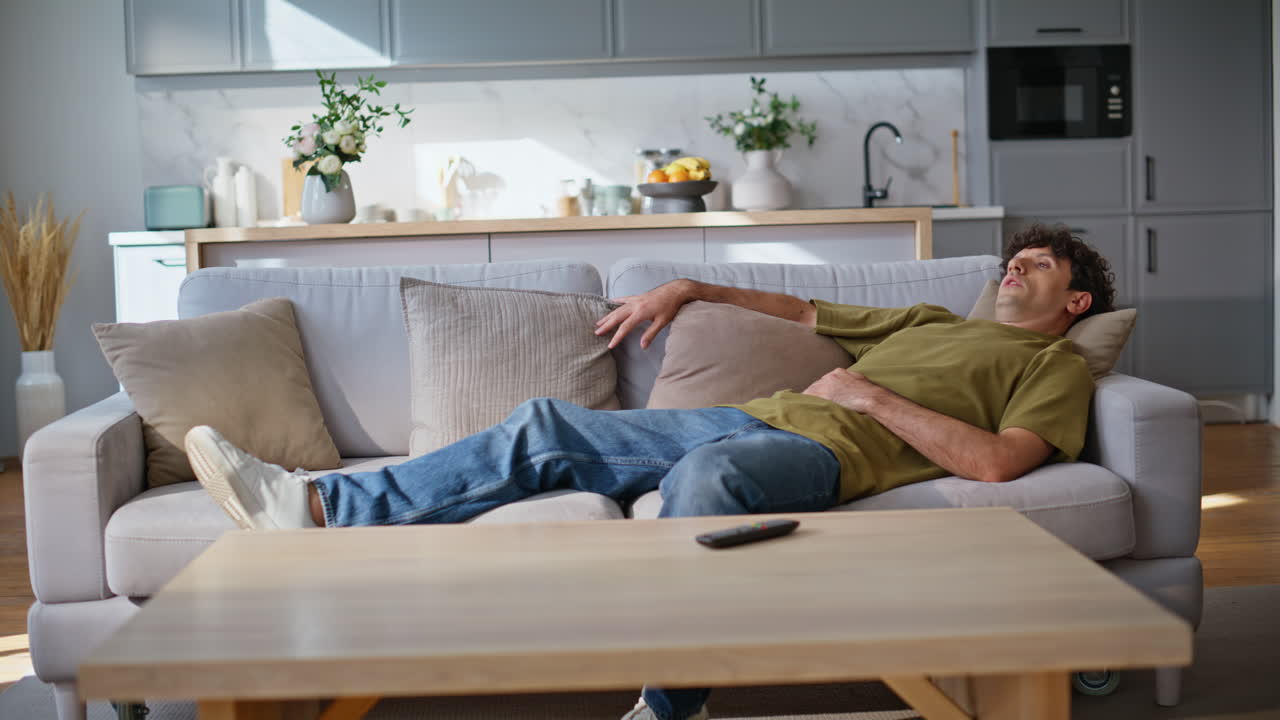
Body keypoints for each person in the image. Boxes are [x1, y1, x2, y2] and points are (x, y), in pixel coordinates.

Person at [184, 223, 1116, 720]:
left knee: (709, 482)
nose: (1013, 265)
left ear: (1072, 301)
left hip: (826, 451)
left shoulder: (1054, 366)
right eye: (1013, 256)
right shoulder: (932, 323)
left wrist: (875, 403)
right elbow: (799, 309)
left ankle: (671, 705)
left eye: (1036, 263)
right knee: (548, 424)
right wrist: (693, 286)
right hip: (754, 419)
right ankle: (313, 502)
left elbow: (1000, 463)